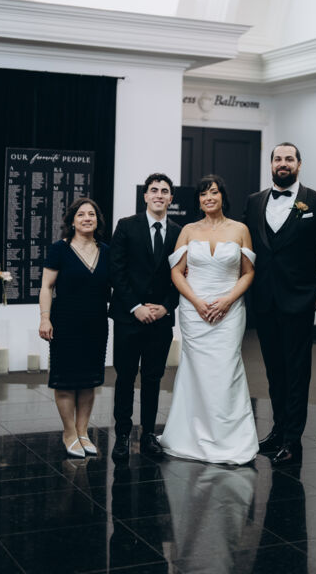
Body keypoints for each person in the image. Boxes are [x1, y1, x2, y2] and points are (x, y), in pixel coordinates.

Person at [245, 143, 316, 465]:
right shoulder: (254, 201)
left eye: (288, 159)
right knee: (274, 370)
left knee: (297, 372)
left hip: (300, 300)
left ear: (299, 164)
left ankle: (292, 440)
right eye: (277, 159)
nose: (282, 163)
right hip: (264, 300)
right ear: (271, 163)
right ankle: (278, 430)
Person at [159, 174, 258, 465]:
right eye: (203, 194)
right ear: (198, 201)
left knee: (226, 370)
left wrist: (227, 300)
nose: (209, 198)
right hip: (195, 310)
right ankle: (192, 434)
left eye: (214, 192)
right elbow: (176, 272)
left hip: (230, 310)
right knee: (197, 371)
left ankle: (229, 438)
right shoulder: (188, 230)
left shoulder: (240, 229)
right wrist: (197, 302)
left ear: (222, 196)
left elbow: (248, 272)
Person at [109, 173, 181, 461]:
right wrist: (135, 306)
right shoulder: (126, 226)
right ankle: (122, 435)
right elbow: (116, 271)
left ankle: (149, 433)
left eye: (164, 191)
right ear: (145, 196)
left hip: (161, 319)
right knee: (125, 376)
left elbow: (183, 275)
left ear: (171, 198)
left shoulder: (179, 232)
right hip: (129, 317)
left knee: (153, 378)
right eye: (154, 190)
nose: (159, 195)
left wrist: (166, 307)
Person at [39, 197, 109, 458]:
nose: (87, 218)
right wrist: (45, 318)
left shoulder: (106, 250)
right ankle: (69, 433)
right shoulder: (60, 249)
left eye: (91, 214)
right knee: (66, 381)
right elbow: (46, 286)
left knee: (89, 381)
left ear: (97, 220)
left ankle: (83, 432)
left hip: (96, 323)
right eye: (81, 214)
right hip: (65, 322)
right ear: (72, 221)